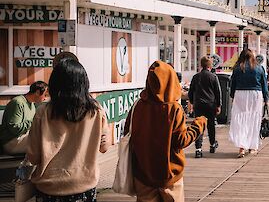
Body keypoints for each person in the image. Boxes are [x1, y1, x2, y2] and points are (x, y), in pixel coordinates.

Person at [26, 59, 109, 201]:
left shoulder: (43, 112)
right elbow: (104, 147)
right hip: (84, 186)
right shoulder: (96, 110)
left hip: (49, 189)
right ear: (84, 83)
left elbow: (33, 156)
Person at [124, 60, 207, 202]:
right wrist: (199, 124)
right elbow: (181, 140)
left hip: (143, 174)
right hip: (170, 175)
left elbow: (128, 133)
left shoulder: (137, 106)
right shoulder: (174, 109)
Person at [229, 49, 269, 158]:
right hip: (255, 94)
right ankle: (252, 147)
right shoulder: (259, 68)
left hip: (240, 93)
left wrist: (233, 96)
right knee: (253, 120)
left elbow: (233, 84)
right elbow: (264, 84)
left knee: (241, 121)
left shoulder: (237, 68)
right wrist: (266, 98)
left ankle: (242, 148)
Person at [0, 81, 48, 154]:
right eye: (45, 95)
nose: (45, 98)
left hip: (23, 138)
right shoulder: (18, 102)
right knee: (43, 138)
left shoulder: (32, 105)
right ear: (38, 92)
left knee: (47, 135)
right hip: (11, 142)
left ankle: (31, 163)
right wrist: (36, 122)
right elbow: (14, 128)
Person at [188, 56, 222, 158]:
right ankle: (212, 144)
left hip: (199, 105)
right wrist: (218, 105)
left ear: (201, 65)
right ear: (210, 66)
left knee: (199, 126)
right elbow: (218, 93)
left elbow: (191, 91)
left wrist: (192, 102)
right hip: (210, 105)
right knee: (211, 125)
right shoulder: (213, 77)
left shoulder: (196, 77)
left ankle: (198, 149)